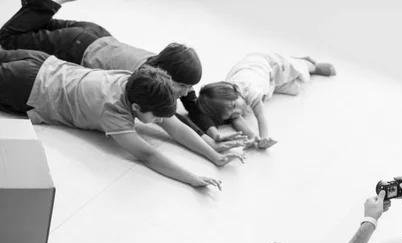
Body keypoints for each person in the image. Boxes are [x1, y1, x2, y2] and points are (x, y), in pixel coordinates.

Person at [0, 0, 248, 157]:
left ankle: (42, 4)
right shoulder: (144, 83)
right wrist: (209, 145)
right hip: (77, 46)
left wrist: (212, 135)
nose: (186, 92)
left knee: (30, 32)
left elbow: (190, 106)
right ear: (169, 78)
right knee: (7, 39)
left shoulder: (166, 69)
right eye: (183, 87)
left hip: (95, 35)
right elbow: (170, 121)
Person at [0, 48, 224, 189]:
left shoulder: (138, 82)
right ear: (136, 108)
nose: (159, 122)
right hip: (27, 86)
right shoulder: (113, 113)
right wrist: (191, 178)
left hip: (41, 62)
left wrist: (214, 155)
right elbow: (148, 155)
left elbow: (174, 127)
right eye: (156, 118)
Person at [181, 52, 336, 149]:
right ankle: (299, 71)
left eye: (235, 105)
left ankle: (308, 63)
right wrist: (253, 138)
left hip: (266, 65)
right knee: (295, 88)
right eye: (230, 113)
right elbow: (237, 120)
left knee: (294, 69)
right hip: (265, 81)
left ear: (235, 92)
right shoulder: (228, 103)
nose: (237, 112)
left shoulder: (249, 90)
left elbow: (260, 117)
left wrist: (264, 137)